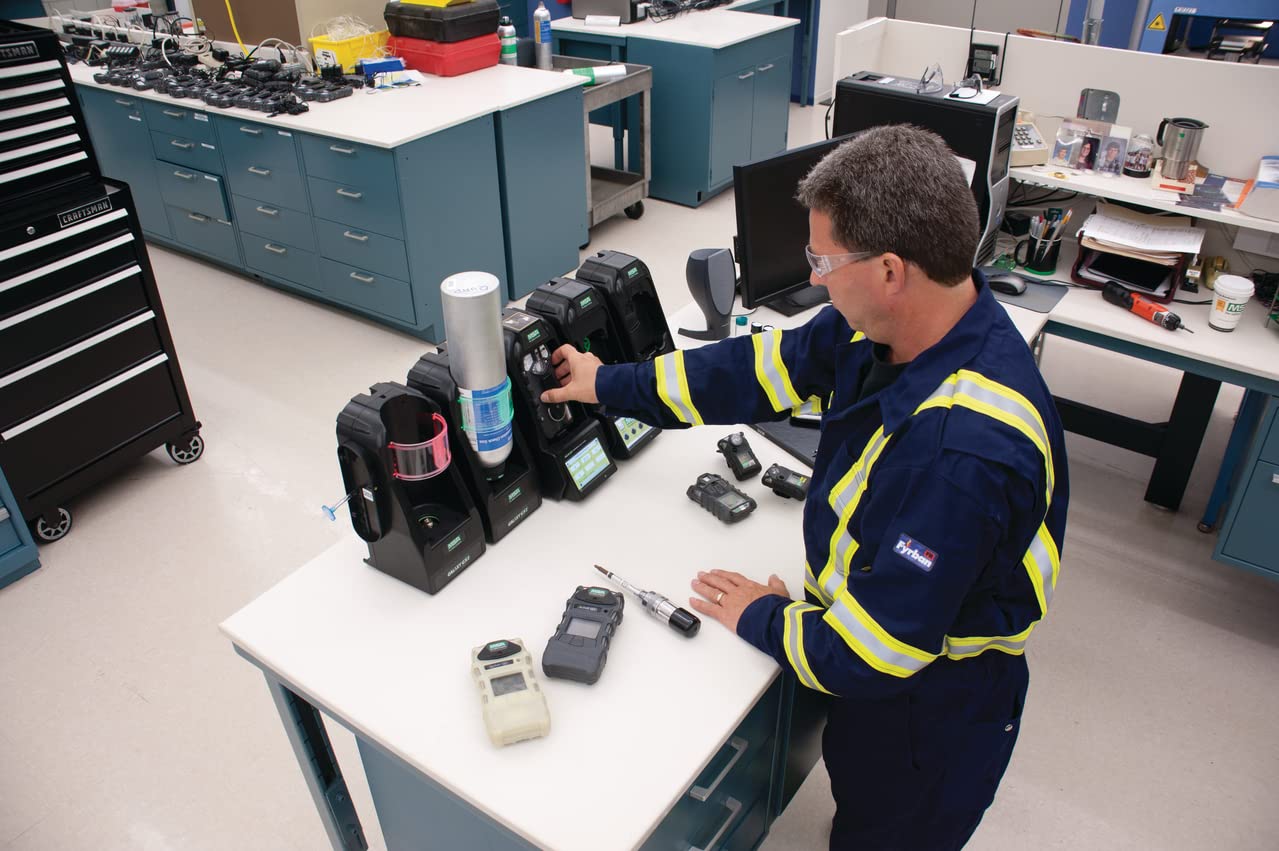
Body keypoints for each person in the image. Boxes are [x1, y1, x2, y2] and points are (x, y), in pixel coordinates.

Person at [542, 125, 1069, 850]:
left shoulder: (960, 454)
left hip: (932, 706)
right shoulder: (897, 324)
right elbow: (755, 370)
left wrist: (764, 615)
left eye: (822, 259)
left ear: (889, 270)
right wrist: (609, 382)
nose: (813, 277)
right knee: (857, 795)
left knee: (885, 829)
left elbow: (872, 654)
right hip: (887, 635)